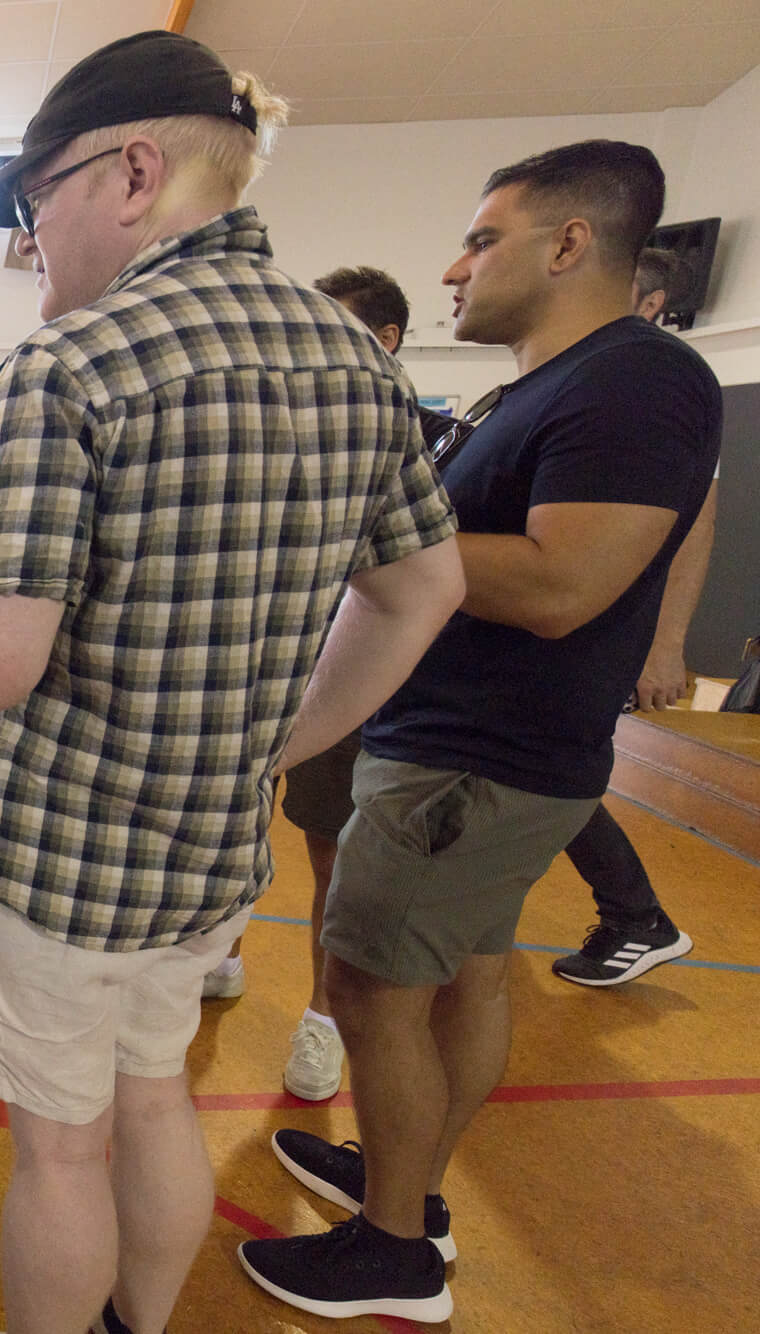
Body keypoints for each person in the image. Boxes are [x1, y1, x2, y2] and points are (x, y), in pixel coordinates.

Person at [0, 31, 464, 1334]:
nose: (29, 244)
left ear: (134, 172)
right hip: (206, 853)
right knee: (155, 1101)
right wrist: (279, 740)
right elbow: (421, 587)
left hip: (54, 854)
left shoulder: (69, 364)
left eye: (35, 204)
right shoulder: (355, 360)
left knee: (60, 1149)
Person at [239, 141, 720, 1324]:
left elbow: (561, 582)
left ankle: (391, 1249)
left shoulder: (634, 378)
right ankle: (405, 1188)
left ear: (567, 244)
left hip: (473, 758)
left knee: (369, 989)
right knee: (460, 980)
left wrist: (349, 529)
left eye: (478, 239)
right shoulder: (542, 386)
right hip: (463, 747)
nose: (453, 268)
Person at [200, 266, 449, 1104]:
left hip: (362, 680)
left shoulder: (425, 437)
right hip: (266, 664)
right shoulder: (287, 428)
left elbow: (423, 579)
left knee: (330, 851)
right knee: (239, 819)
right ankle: (224, 952)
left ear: (385, 340)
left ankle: (321, 1020)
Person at [547, 245, 715, 987]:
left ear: (649, 304)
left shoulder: (662, 385)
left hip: (604, 633)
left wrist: (665, 646)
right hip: (565, 625)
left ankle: (637, 917)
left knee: (555, 770)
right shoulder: (588, 372)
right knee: (541, 769)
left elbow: (696, 525)